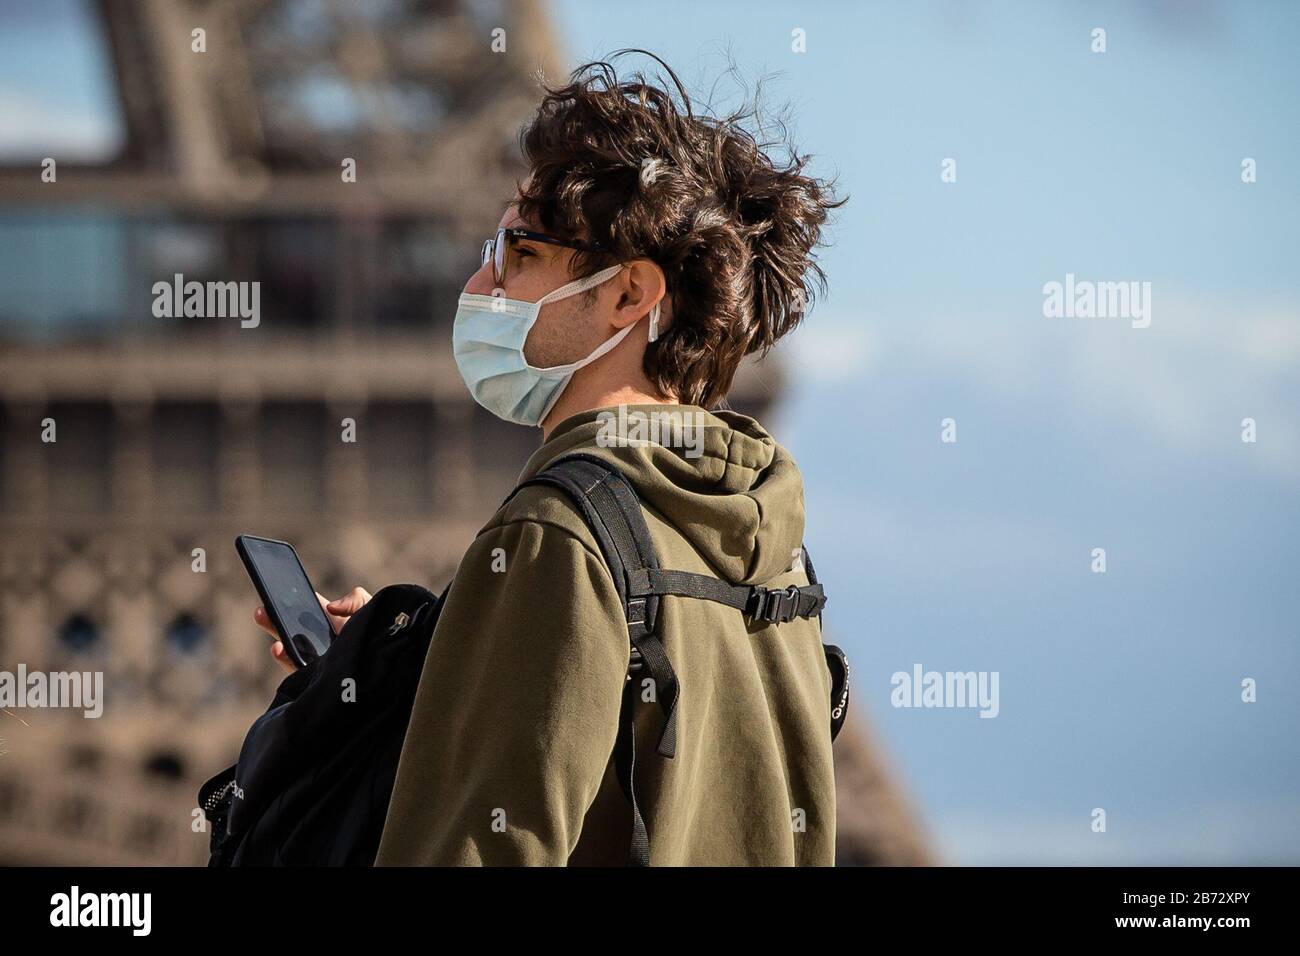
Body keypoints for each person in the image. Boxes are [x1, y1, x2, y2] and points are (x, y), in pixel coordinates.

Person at [253, 52, 843, 865]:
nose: (478, 279)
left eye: (516, 252)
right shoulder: (776, 548)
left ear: (629, 296)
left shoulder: (556, 538)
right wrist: (444, 650)